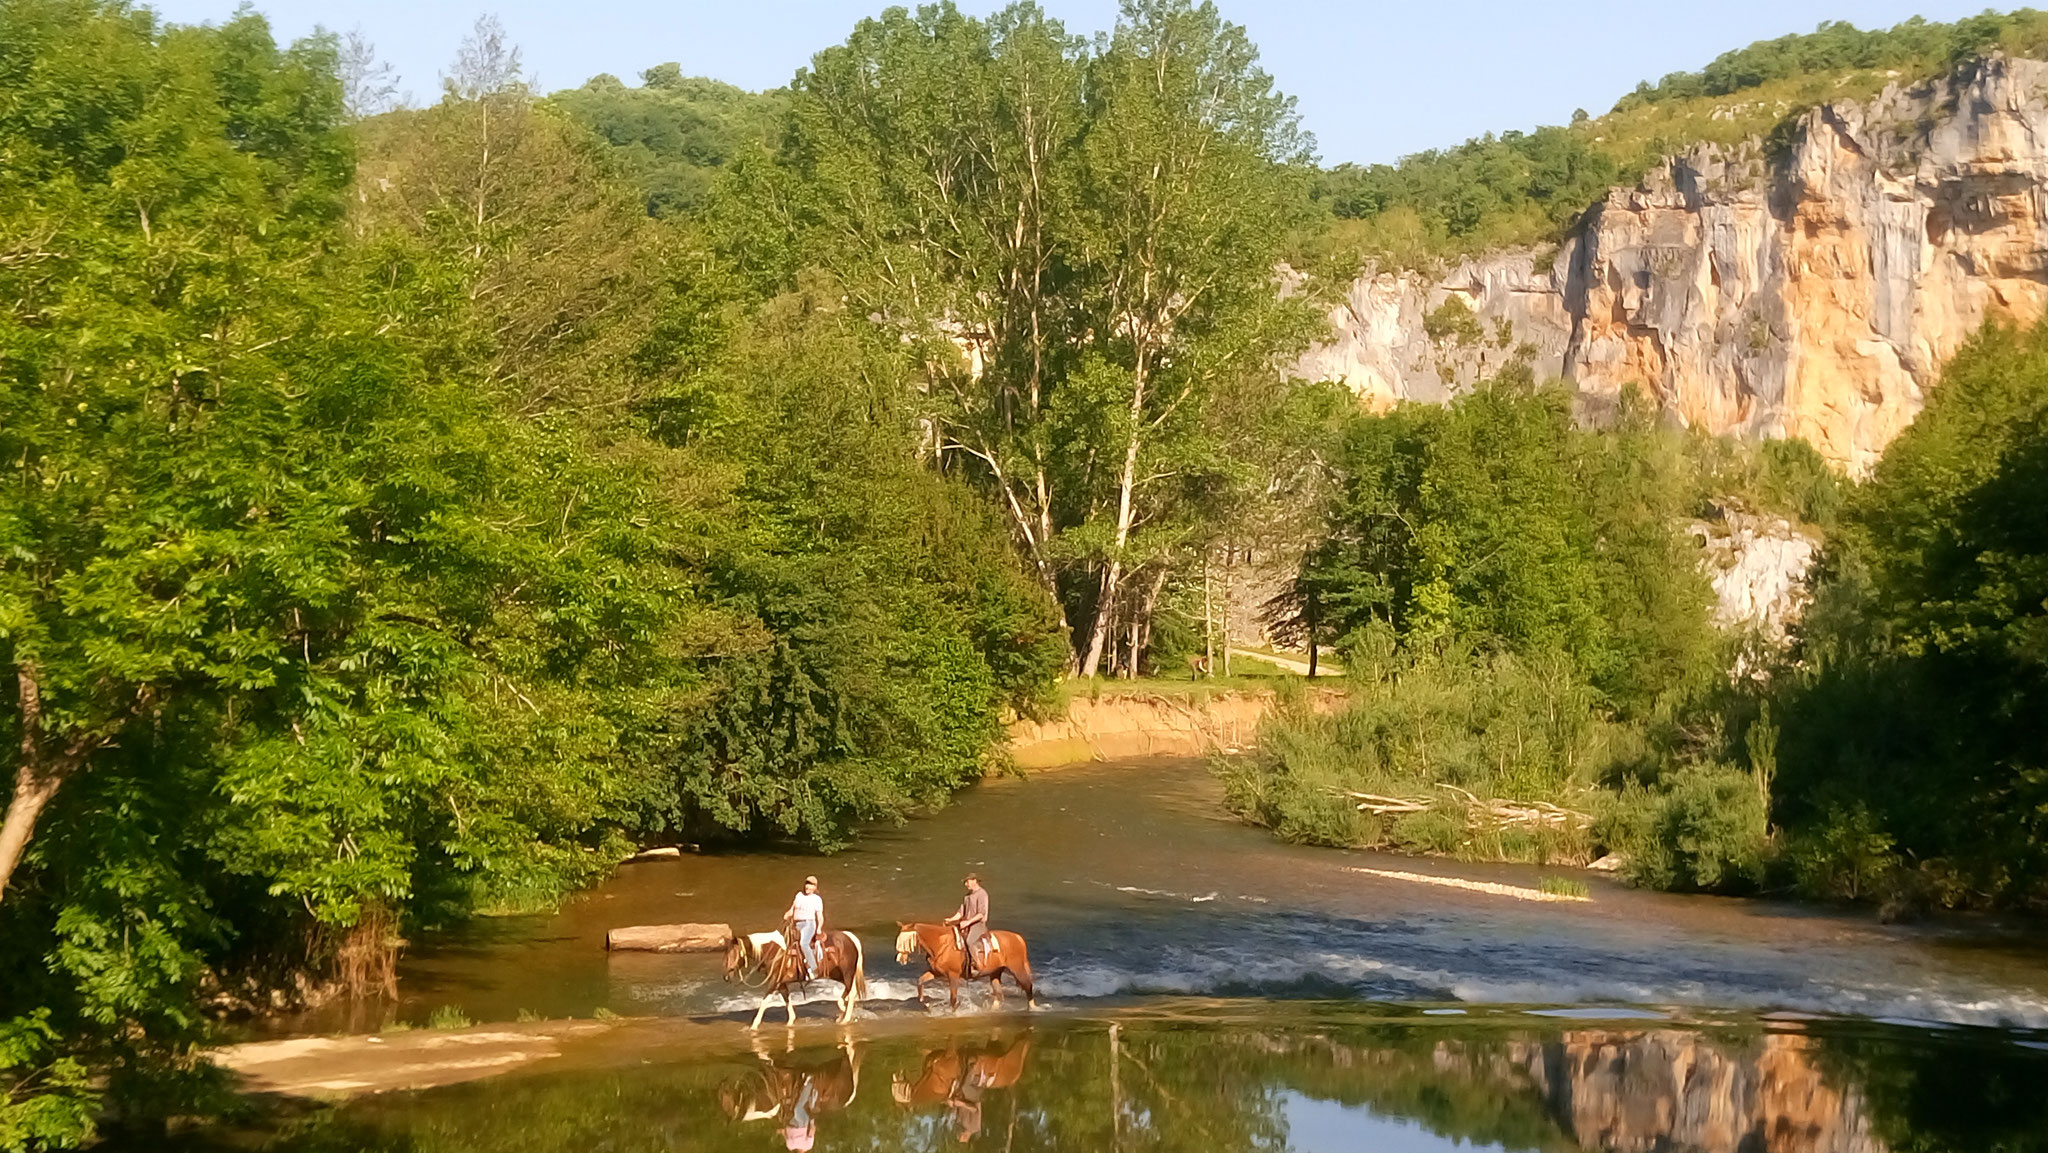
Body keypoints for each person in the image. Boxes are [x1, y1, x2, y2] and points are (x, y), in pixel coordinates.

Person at [943, 874, 990, 977]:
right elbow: (961, 912)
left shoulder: (982, 894)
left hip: (978, 924)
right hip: (966, 924)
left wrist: (968, 922)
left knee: (970, 941)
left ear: (974, 881)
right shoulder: (967, 896)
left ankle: (976, 965)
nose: (966, 884)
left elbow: (981, 913)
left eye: (967, 881)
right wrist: (950, 920)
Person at [784, 875, 824, 979]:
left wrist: (819, 928)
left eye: (811, 885)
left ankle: (814, 968)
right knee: (786, 944)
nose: (807, 886)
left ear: (815, 887)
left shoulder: (817, 899)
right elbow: (792, 909)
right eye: (807, 884)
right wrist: (787, 914)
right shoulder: (799, 895)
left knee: (804, 943)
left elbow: (820, 917)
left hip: (808, 924)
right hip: (796, 924)